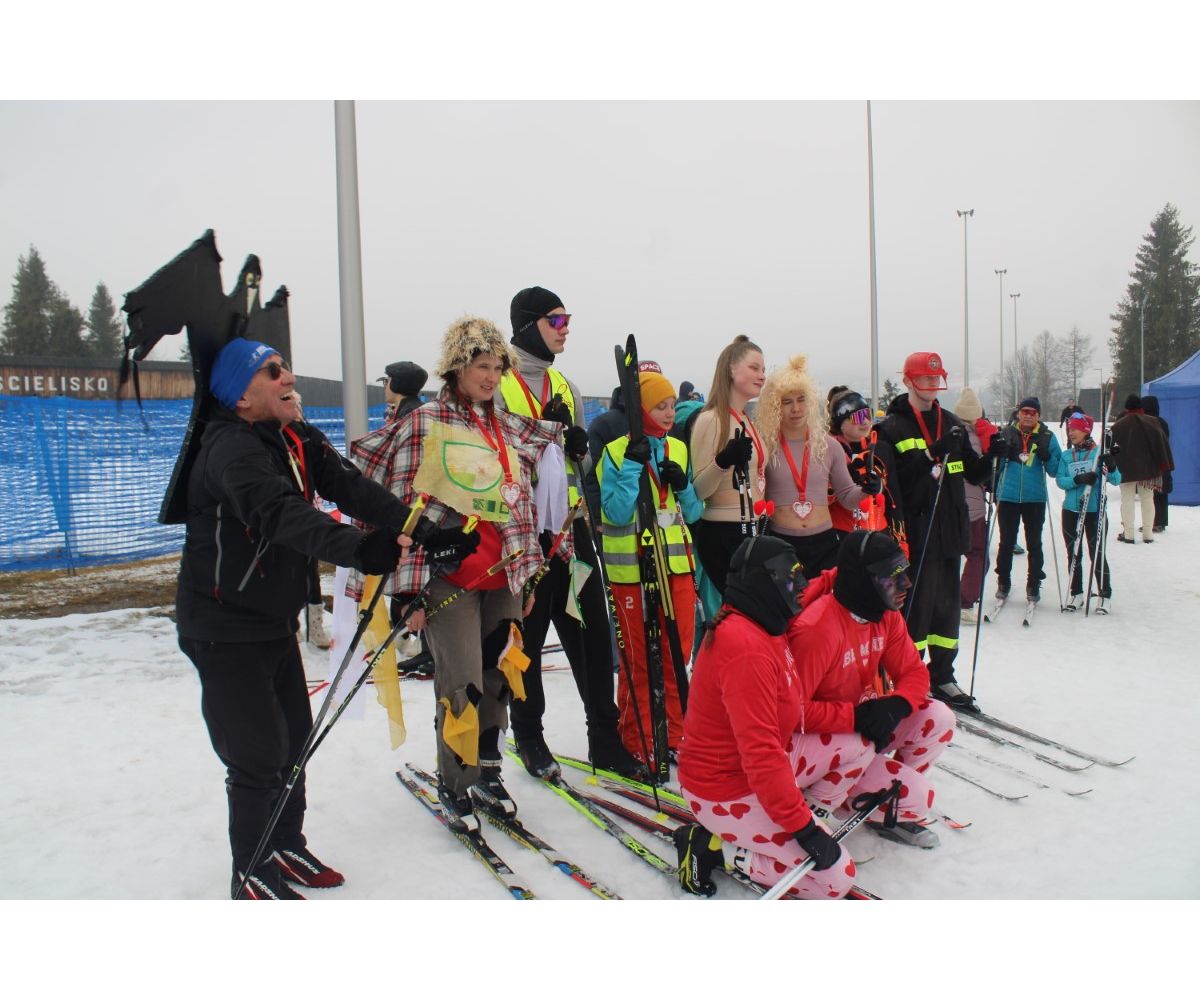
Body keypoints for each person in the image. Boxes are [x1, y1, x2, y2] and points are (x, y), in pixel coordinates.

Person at [175, 338, 475, 899]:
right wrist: (359, 550)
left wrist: (422, 529)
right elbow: (279, 513)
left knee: (292, 742)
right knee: (257, 754)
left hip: (270, 619)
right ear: (241, 396)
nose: (288, 376)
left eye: (285, 366)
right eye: (272, 371)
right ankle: (251, 869)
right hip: (222, 627)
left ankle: (285, 842)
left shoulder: (293, 436)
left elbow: (350, 487)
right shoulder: (230, 449)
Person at [355, 316, 558, 830]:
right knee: (462, 683)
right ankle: (455, 780)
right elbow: (405, 506)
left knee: (500, 677)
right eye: (481, 366)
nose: (491, 377)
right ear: (456, 368)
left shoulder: (504, 424)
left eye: (497, 368)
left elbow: (522, 501)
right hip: (450, 580)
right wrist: (407, 593)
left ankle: (488, 771)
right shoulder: (428, 422)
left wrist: (529, 574)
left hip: (503, 576)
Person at [674, 532, 954, 898]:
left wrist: (893, 706)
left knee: (906, 773)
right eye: (791, 579)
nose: (802, 588)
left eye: (801, 575)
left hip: (770, 766)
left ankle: (812, 813)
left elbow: (827, 584)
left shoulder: (769, 624)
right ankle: (716, 848)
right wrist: (802, 830)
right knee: (836, 879)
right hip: (728, 786)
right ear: (763, 586)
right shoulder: (759, 646)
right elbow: (764, 752)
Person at [497, 286, 645, 780]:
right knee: (529, 637)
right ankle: (530, 736)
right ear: (527, 325)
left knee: (592, 633)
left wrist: (578, 446)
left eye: (567, 320)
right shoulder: (499, 383)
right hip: (525, 532)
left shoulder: (566, 386)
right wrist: (543, 434)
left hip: (569, 527)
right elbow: (492, 458)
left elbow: (578, 463)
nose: (565, 329)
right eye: (556, 320)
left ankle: (604, 737)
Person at [874, 351, 992, 712]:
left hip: (950, 529)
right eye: (925, 378)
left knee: (947, 608)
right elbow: (896, 486)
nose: (931, 384)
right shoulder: (891, 427)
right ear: (909, 381)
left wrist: (993, 457)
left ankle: (942, 674)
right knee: (917, 607)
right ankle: (908, 676)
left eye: (935, 379)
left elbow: (974, 474)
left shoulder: (951, 421)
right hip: (916, 530)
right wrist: (929, 456)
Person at [597, 368, 702, 768]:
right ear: (641, 410)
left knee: (676, 656)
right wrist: (631, 467)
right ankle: (637, 737)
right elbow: (615, 511)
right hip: (633, 572)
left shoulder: (678, 449)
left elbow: (694, 513)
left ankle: (674, 733)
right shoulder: (614, 451)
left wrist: (683, 486)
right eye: (660, 406)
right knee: (639, 661)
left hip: (675, 568)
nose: (670, 412)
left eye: (672, 404)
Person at [756, 356, 867, 579]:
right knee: (788, 602)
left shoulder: (829, 445)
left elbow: (847, 497)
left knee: (823, 602)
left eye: (801, 399)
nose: (796, 408)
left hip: (824, 545)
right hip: (780, 544)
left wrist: (869, 489)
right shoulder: (765, 446)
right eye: (787, 402)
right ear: (775, 406)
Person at [688, 335, 768, 595]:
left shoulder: (747, 419)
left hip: (755, 527)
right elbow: (700, 491)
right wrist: (723, 461)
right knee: (745, 609)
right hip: (724, 532)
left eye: (763, 369)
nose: (762, 376)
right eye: (754, 368)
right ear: (732, 370)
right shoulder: (711, 419)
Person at [988, 396, 1062, 604]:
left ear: (1039, 415)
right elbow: (995, 465)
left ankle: (1034, 583)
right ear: (1018, 413)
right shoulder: (1006, 433)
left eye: (1033, 413)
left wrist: (1047, 456)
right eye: (1025, 412)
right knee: (1006, 542)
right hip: (1008, 496)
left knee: (1034, 543)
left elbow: (1055, 471)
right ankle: (1003, 582)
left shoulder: (1047, 436)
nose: (1028, 416)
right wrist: (998, 459)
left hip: (1034, 497)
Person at [826, 386, 905, 548]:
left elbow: (894, 498)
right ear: (840, 423)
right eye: (857, 417)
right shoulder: (827, 450)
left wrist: (900, 542)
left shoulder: (881, 448)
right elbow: (820, 499)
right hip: (843, 534)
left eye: (867, 414)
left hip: (879, 532)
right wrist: (845, 480)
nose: (865, 421)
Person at [1056, 413, 1119, 608]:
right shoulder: (1067, 455)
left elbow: (1116, 480)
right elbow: (1060, 481)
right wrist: (1078, 479)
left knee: (1097, 553)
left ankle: (1104, 595)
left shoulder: (1098, 453)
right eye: (1069, 429)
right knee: (1073, 553)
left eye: (1075, 429)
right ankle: (1076, 593)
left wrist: (1111, 465)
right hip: (1071, 510)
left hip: (1094, 511)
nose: (1071, 432)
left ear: (1086, 431)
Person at [952, 389, 995, 624]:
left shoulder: (949, 432)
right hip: (972, 506)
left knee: (953, 555)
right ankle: (964, 603)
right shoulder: (973, 438)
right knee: (978, 555)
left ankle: (951, 599)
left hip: (953, 503)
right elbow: (975, 472)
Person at [1111, 394, 1174, 544]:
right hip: (1148, 469)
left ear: (1127, 407)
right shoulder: (1153, 422)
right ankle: (1148, 534)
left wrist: (1112, 466)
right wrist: (1165, 465)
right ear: (1141, 407)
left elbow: (1111, 448)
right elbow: (1161, 444)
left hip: (1125, 469)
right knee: (1147, 499)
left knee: (1127, 500)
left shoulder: (1118, 425)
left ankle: (1129, 535)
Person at [1140, 395, 1172, 532]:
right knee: (1161, 492)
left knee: (1150, 492)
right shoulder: (1162, 422)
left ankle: (1153, 522)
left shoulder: (1145, 421)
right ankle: (1161, 522)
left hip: (1150, 461)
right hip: (1164, 459)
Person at [379, 360, 428, 425]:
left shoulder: (408, 415)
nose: (385, 386)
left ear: (396, 384)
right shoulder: (418, 409)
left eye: (386, 381)